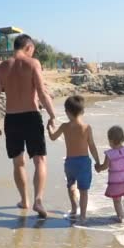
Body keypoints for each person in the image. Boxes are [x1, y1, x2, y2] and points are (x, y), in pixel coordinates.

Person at [0, 34, 57, 218]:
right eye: (32, 50)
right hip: (31, 117)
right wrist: (52, 115)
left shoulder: (2, 67)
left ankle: (24, 200)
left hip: (11, 118)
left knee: (18, 162)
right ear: (28, 47)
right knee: (39, 160)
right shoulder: (33, 63)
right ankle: (38, 201)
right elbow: (42, 93)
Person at [47, 95, 101, 223]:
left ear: (67, 112)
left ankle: (73, 208)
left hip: (70, 162)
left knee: (71, 185)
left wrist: (49, 127)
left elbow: (53, 137)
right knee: (83, 191)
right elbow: (92, 146)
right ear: (82, 111)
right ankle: (82, 216)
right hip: (83, 163)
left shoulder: (65, 127)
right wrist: (98, 162)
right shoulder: (86, 128)